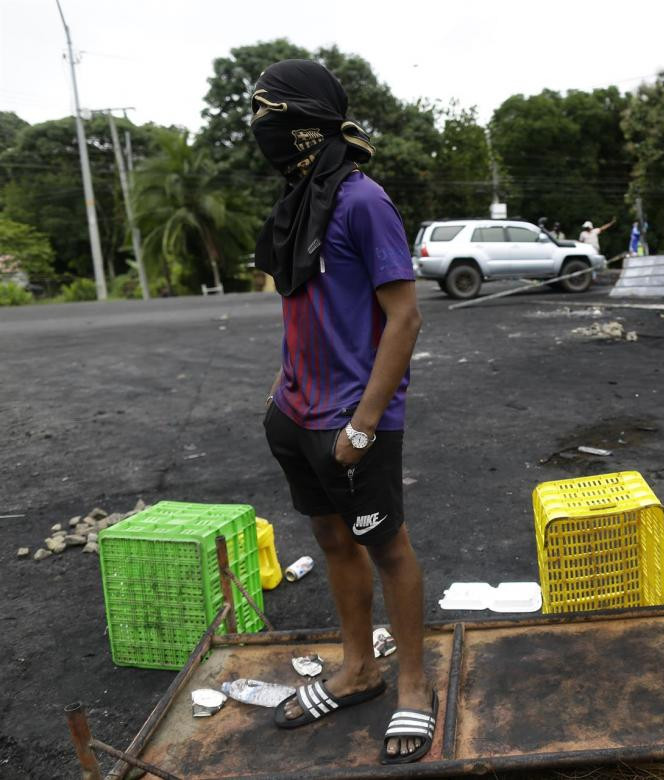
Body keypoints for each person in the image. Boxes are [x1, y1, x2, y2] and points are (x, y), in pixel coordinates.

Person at [250, 59, 435, 765]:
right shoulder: (297, 203)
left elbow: (405, 319)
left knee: (387, 545)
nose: (259, 127)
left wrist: (361, 424)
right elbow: (304, 311)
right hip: (295, 416)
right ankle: (360, 668)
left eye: (269, 112)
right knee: (331, 539)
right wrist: (279, 398)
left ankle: (412, 684)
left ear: (305, 122)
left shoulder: (362, 202)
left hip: (352, 423)